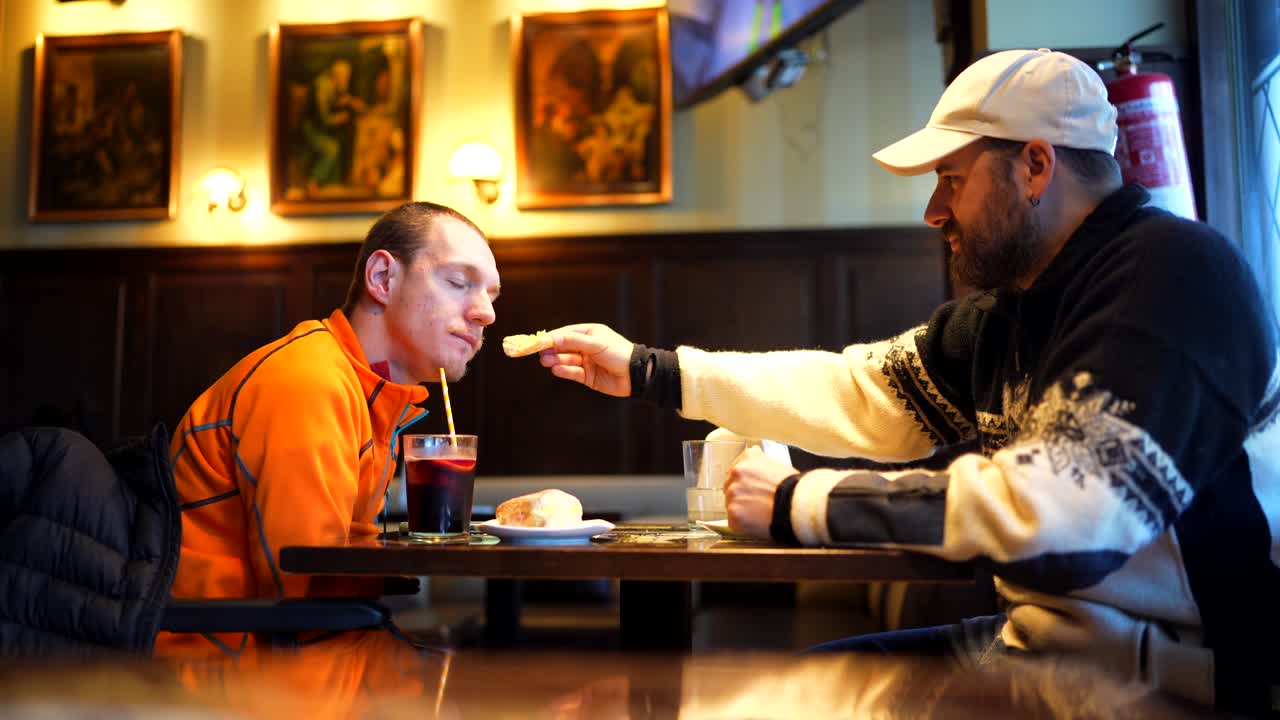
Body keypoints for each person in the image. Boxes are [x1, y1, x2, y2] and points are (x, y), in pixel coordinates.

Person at [526, 49, 1280, 713]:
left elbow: (1069, 520)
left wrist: (798, 502)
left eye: (952, 178)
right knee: (773, 697)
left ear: (1037, 167)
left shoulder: (1176, 278)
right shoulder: (1011, 309)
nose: (933, 210)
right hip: (1043, 655)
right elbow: (863, 391)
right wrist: (650, 370)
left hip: (1181, 686)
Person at [154, 201, 500, 659]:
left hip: (292, 646)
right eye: (459, 283)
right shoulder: (309, 381)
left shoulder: (369, 392)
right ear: (382, 279)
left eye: (492, 297)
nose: (485, 315)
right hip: (226, 664)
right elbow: (305, 594)